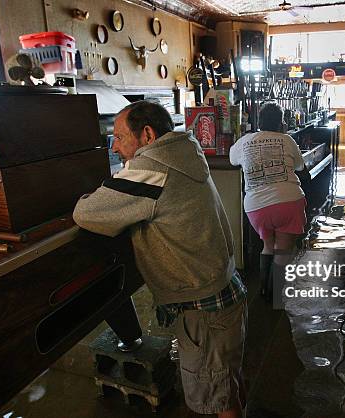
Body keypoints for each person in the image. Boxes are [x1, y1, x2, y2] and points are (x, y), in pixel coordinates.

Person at [73, 100, 247, 418]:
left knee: (216, 398)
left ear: (148, 134)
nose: (114, 145)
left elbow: (86, 212)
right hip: (222, 290)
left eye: (120, 137)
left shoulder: (153, 169)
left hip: (203, 307)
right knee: (226, 383)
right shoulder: (183, 152)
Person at [229, 102, 307, 302]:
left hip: (256, 207)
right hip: (289, 201)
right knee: (283, 250)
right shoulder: (287, 139)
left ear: (259, 122)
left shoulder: (245, 141)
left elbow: (232, 160)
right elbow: (299, 166)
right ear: (281, 123)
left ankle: (264, 290)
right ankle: (278, 293)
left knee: (267, 245)